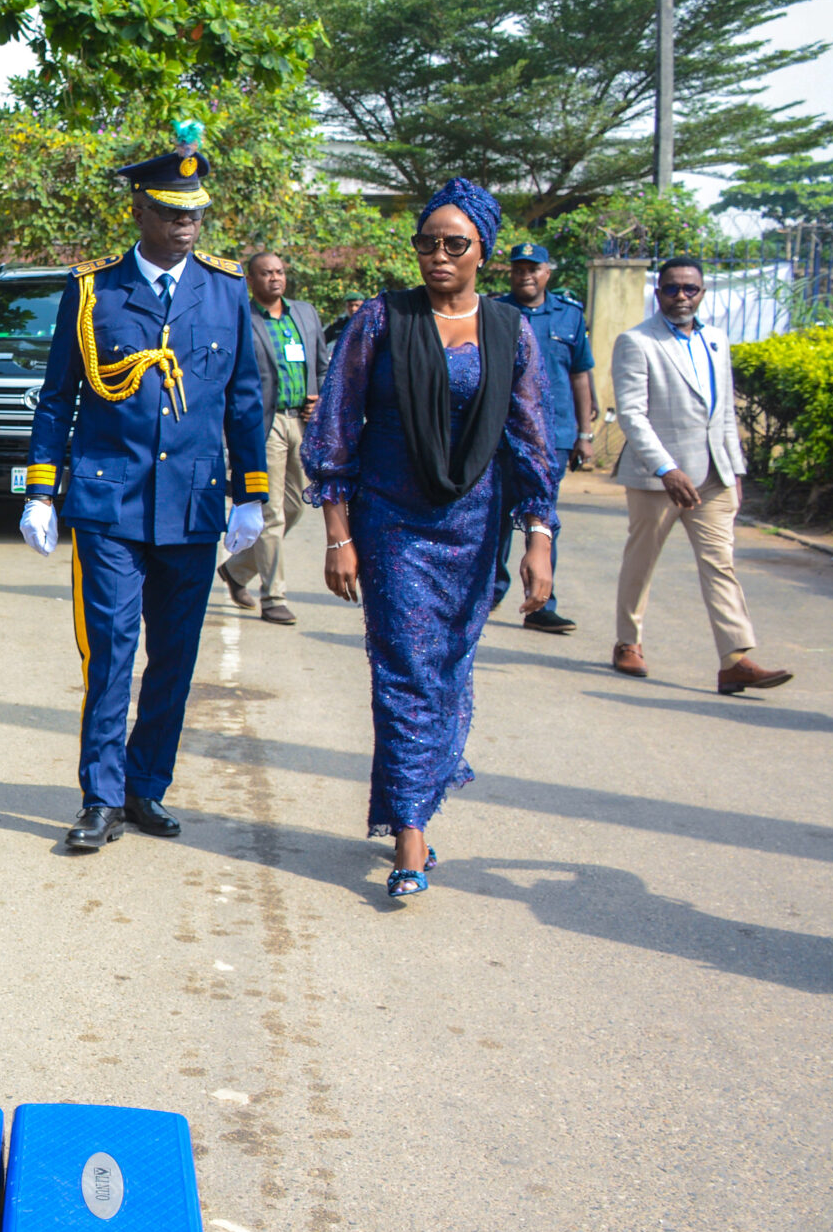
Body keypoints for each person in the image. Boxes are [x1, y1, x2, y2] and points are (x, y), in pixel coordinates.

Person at [303, 178, 561, 900]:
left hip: (474, 529)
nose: (438, 255)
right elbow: (336, 429)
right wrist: (336, 533)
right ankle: (410, 835)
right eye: (427, 242)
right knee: (407, 670)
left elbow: (531, 439)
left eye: (454, 243)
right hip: (391, 523)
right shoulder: (381, 321)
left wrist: (539, 535)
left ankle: (422, 793)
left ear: (483, 250)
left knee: (447, 669)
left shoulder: (512, 329)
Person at [18, 126, 268, 854]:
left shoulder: (226, 291)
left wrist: (251, 493)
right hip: (109, 501)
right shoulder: (94, 288)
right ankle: (100, 796)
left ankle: (143, 785)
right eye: (170, 210)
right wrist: (40, 489)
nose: (186, 223)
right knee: (112, 651)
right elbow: (58, 397)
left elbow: (245, 399)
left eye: (194, 211)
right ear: (139, 210)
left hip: (192, 503)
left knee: (176, 655)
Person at [607, 257, 793, 695]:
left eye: (690, 289)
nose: (681, 297)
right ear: (659, 293)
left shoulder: (716, 340)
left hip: (713, 475)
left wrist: (734, 470)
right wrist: (666, 468)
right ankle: (627, 642)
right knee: (642, 560)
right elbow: (632, 415)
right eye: (672, 288)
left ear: (702, 292)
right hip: (659, 478)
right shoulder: (637, 341)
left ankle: (734, 660)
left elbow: (724, 411)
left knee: (720, 564)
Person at [216, 250, 326, 625]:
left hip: (303, 422)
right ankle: (274, 596)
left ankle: (237, 570)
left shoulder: (306, 314)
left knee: (295, 505)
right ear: (252, 279)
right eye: (266, 273)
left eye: (279, 271)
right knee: (271, 512)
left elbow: (323, 367)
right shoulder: (241, 317)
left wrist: (322, 399)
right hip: (265, 425)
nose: (274, 278)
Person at [494, 243, 599, 635]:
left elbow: (580, 375)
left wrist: (584, 434)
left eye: (533, 269)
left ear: (547, 273)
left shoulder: (570, 317)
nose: (526, 276)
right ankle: (491, 589)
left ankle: (540, 604)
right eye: (519, 269)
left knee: (542, 518)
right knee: (497, 514)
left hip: (552, 436)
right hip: (501, 432)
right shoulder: (496, 312)